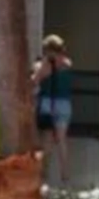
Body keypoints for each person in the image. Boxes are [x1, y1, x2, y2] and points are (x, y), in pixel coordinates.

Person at [32, 34, 73, 187]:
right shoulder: (67, 63)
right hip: (65, 104)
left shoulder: (46, 65)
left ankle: (44, 173)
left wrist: (41, 65)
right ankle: (65, 174)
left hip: (48, 104)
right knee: (62, 141)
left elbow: (35, 79)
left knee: (47, 142)